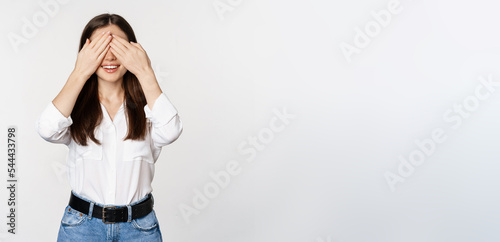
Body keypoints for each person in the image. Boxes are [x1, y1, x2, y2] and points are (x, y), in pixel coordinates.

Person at [35, 13, 183, 241]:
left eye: (118, 47)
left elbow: (172, 130)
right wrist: (80, 72)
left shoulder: (149, 107)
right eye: (101, 48)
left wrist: (145, 70)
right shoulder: (75, 107)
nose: (111, 56)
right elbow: (47, 128)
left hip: (139, 229)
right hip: (81, 228)